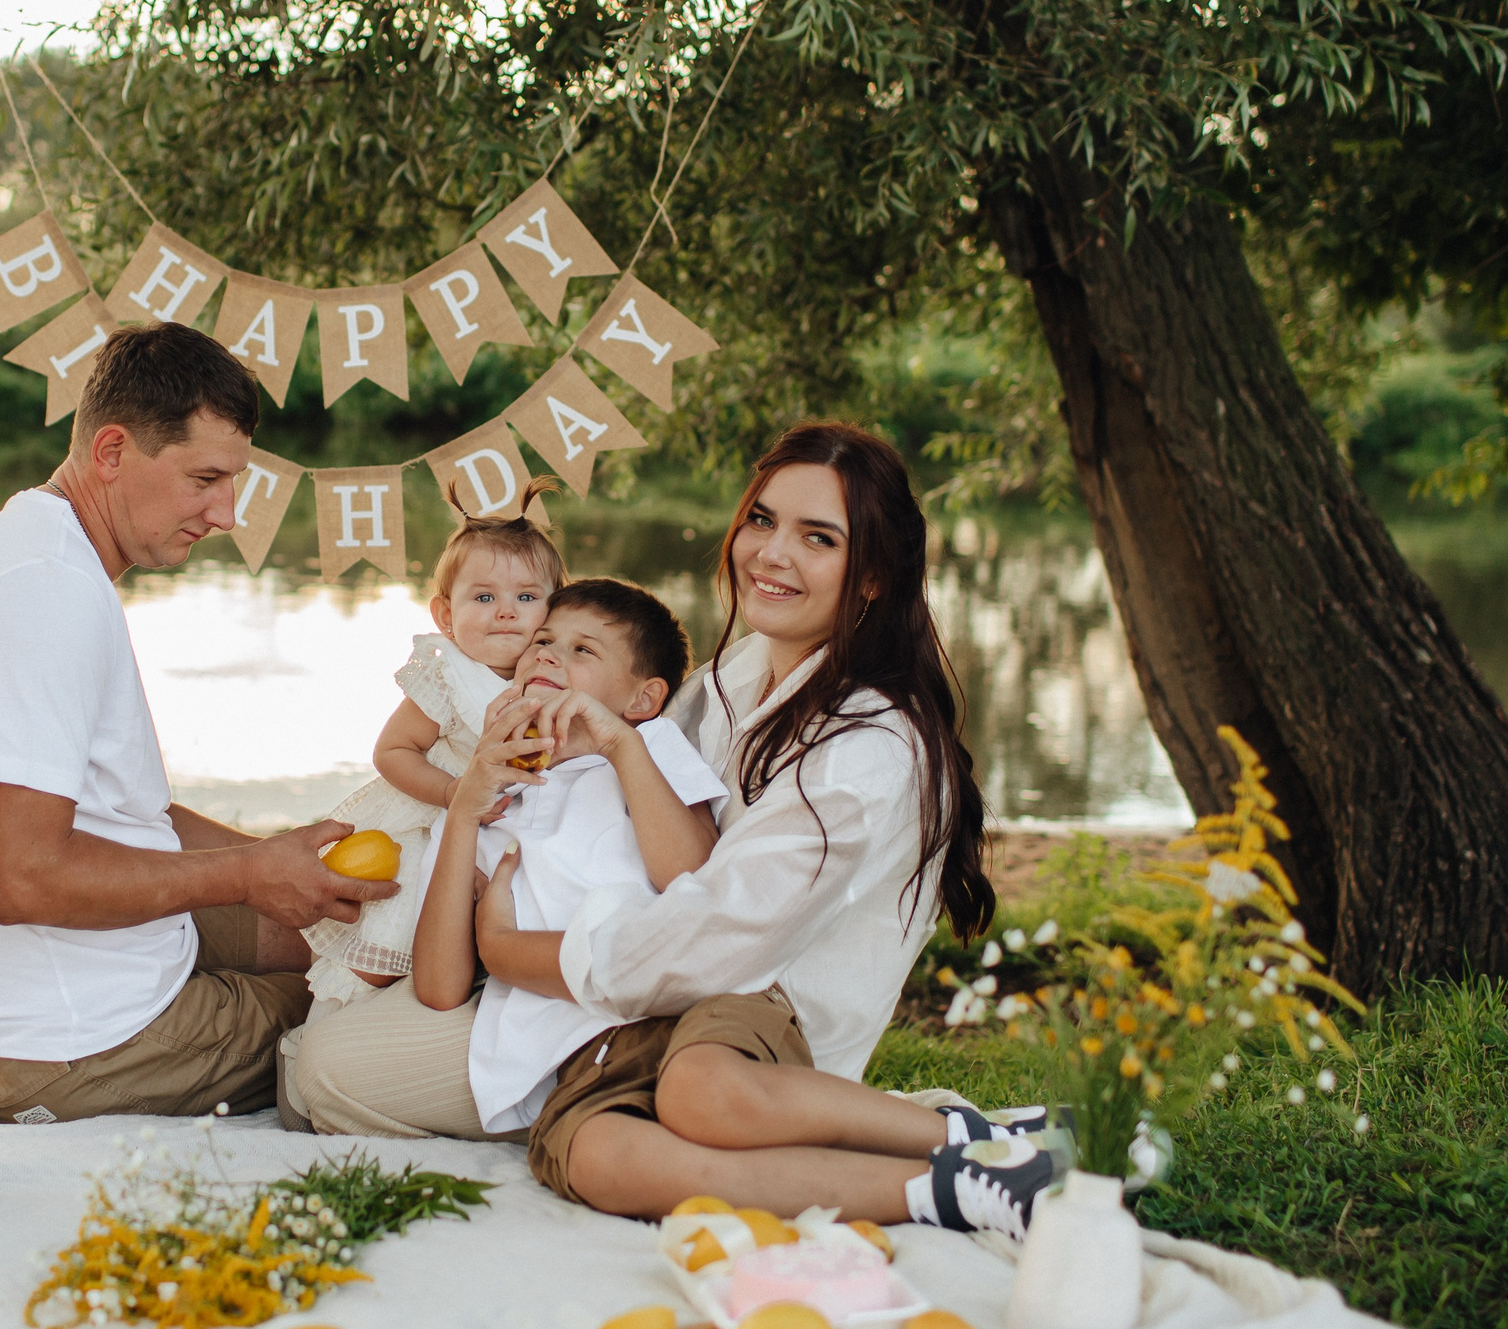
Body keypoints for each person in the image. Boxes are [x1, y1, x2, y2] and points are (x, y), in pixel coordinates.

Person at [292, 423, 1062, 1237]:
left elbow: (712, 939)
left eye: (818, 538)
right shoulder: (737, 673)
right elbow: (615, 761)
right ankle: (948, 1174)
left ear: (871, 575)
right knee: (332, 1020)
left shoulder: (866, 754)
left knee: (329, 1074)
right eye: (761, 521)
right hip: (626, 994)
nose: (770, 553)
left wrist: (506, 945)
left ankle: (941, 1147)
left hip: (737, 1026)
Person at [0, 322, 394, 1125]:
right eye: (205, 479)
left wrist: (272, 860)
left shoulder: (41, 548)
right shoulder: (43, 594)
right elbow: (21, 878)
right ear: (112, 452)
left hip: (81, 972)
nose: (225, 513)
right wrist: (249, 879)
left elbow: (125, 815)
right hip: (59, 1042)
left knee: (361, 925)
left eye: (234, 482)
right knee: (376, 999)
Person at [411, 579, 725, 1136]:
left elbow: (696, 880)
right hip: (535, 1042)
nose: (548, 654)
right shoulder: (491, 785)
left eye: (583, 650)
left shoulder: (650, 747)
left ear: (642, 701)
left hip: (650, 1006)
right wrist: (463, 810)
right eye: (543, 640)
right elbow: (439, 988)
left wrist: (618, 746)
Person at [294, 480, 566, 1012]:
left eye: (527, 598)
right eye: (484, 598)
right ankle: (338, 1008)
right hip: (424, 821)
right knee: (391, 927)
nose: (506, 612)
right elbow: (392, 752)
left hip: (499, 832)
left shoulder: (553, 677)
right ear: (444, 616)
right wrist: (454, 792)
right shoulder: (450, 675)